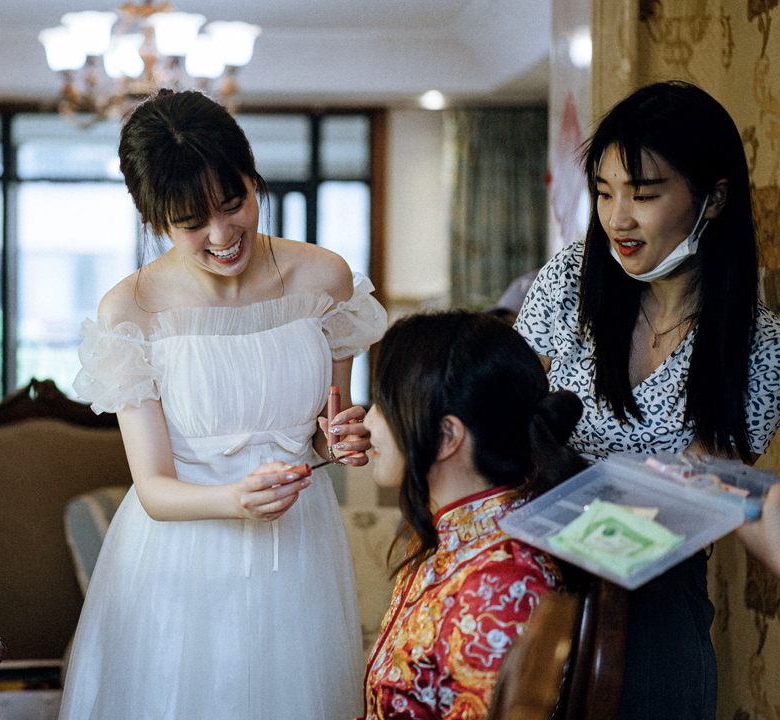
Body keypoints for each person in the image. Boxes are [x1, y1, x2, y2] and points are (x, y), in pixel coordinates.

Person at [59, 89, 387, 720]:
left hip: (298, 543)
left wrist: (343, 439)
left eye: (234, 203)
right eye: (190, 223)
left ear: (252, 177)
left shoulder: (325, 278)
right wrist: (234, 500)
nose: (221, 235)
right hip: (180, 554)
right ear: (154, 220)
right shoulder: (130, 310)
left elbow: (326, 431)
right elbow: (153, 488)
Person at [514, 81, 780, 719]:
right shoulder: (570, 281)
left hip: (655, 600)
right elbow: (499, 406)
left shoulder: (759, 347)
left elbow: (705, 489)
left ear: (714, 199)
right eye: (604, 192)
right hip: (530, 571)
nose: (617, 218)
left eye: (644, 194)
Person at [358, 311, 586, 720]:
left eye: (385, 405)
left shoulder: (500, 587)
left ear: (446, 436)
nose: (369, 422)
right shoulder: (451, 537)